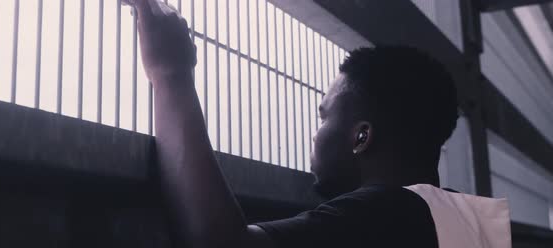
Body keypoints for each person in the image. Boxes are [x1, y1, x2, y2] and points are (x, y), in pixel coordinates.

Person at [128, 0, 511, 247]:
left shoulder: (388, 212)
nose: (315, 135)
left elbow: (221, 244)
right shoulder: (464, 218)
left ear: (362, 137)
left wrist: (172, 74)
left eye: (324, 116)